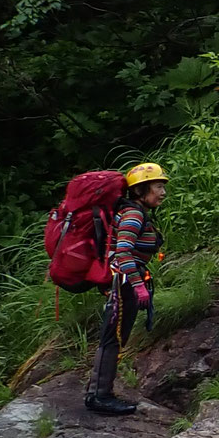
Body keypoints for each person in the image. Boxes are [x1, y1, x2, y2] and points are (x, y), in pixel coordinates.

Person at [86, 162, 168, 416]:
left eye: (163, 186)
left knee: (114, 337)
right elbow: (122, 252)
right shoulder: (133, 215)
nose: (163, 192)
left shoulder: (135, 212)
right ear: (141, 190)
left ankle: (99, 393)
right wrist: (137, 286)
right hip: (123, 283)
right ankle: (100, 397)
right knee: (113, 338)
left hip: (122, 282)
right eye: (158, 186)